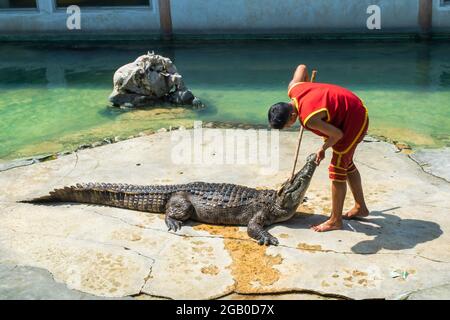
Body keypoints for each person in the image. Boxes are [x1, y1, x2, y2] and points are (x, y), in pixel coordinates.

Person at [268, 64, 369, 232]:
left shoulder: (308, 118)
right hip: (350, 106)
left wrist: (323, 149)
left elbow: (337, 135)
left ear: (293, 116)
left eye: (287, 125)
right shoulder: (294, 87)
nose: (289, 127)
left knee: (337, 169)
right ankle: (361, 208)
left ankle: (335, 220)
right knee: (346, 163)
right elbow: (302, 67)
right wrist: (309, 87)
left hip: (353, 120)